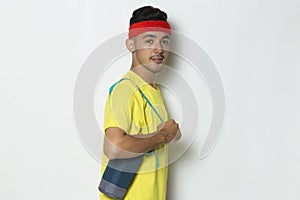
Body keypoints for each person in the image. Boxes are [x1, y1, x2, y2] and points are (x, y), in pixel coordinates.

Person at [100, 5, 181, 200]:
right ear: (131, 45)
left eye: (165, 41)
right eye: (149, 40)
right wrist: (163, 136)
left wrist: (169, 135)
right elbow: (114, 147)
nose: (159, 49)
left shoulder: (154, 91)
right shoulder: (125, 89)